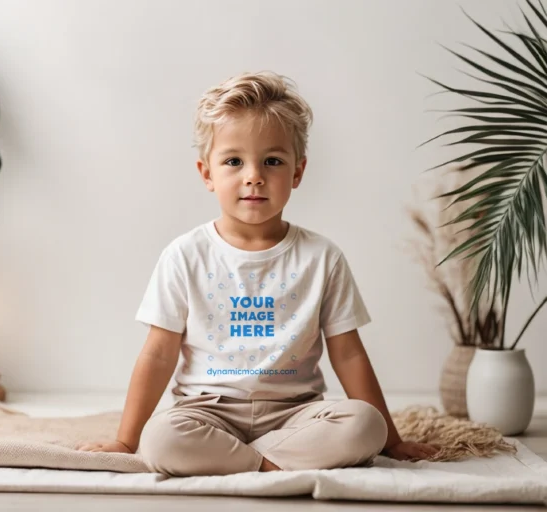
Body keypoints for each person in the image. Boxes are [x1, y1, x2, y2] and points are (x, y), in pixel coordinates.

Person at [77, 71, 439, 476]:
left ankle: (238, 462)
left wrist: (391, 439)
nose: (254, 175)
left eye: (272, 161)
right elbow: (159, 353)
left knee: (363, 425)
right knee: (161, 439)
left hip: (295, 415)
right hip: (208, 413)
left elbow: (349, 352)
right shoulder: (184, 255)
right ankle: (274, 464)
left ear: (297, 173)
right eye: (234, 161)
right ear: (207, 174)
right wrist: (126, 441)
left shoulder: (322, 257)